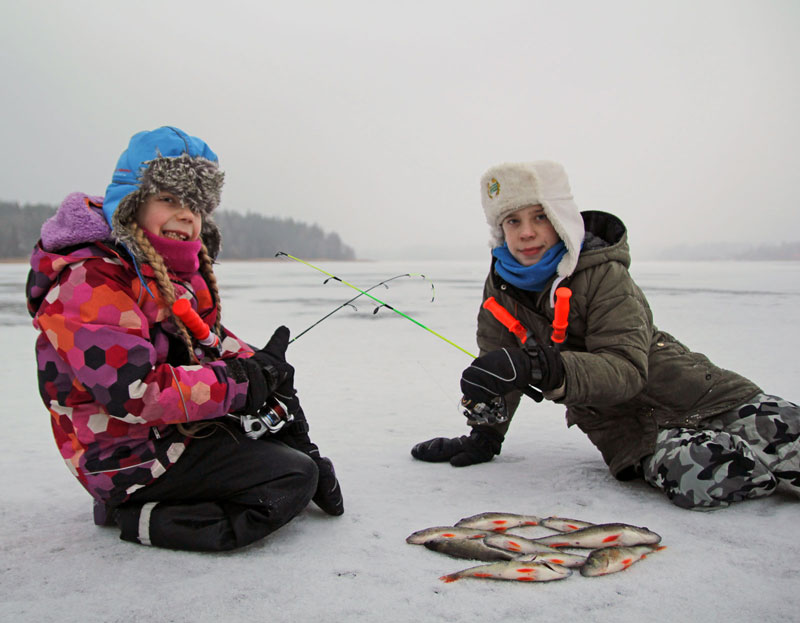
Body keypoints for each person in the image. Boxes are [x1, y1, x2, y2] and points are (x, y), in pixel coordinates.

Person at [411, 160, 799, 510]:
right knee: (701, 475)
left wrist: (541, 366)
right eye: (513, 221)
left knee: (788, 436)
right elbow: (499, 368)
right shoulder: (499, 287)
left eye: (540, 217)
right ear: (501, 230)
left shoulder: (603, 272)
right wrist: (485, 435)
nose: (527, 233)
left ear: (560, 218)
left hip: (700, 394)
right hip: (628, 432)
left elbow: (627, 368)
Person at [26, 126, 343, 551]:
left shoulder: (172, 273)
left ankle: (290, 463)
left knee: (294, 455)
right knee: (290, 478)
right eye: (169, 199)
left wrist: (269, 373)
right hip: (123, 456)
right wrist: (242, 382)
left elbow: (208, 339)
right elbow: (136, 392)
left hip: (174, 431)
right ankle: (137, 514)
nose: (185, 215)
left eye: (195, 204)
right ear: (132, 202)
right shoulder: (90, 281)